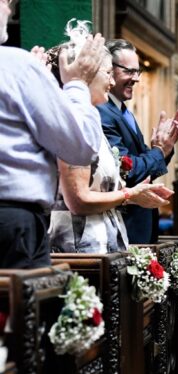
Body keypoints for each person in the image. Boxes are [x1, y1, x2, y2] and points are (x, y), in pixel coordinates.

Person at [45, 23, 170, 254]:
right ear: (88, 74)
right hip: (81, 244)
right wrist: (129, 194)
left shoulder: (91, 119)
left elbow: (102, 185)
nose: (111, 82)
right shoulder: (74, 121)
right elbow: (79, 200)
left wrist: (136, 196)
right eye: (107, 73)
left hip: (106, 243)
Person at [0, 0, 107, 268]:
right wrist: (77, 85)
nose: (10, 8)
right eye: (4, 1)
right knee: (20, 307)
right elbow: (79, 147)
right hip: (12, 222)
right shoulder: (16, 66)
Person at [97, 38, 178, 245]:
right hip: (125, 222)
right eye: (129, 71)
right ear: (109, 69)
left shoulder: (122, 111)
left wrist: (164, 149)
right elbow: (128, 170)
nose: (136, 79)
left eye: (138, 72)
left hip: (138, 221)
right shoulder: (103, 112)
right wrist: (158, 151)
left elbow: (145, 166)